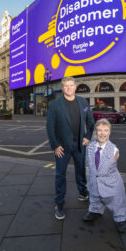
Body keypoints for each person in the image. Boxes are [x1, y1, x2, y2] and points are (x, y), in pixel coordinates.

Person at [47, 76, 94, 220]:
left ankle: (82, 192)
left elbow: (90, 121)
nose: (68, 88)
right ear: (63, 88)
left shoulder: (83, 102)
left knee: (81, 170)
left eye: (71, 85)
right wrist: (55, 145)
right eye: (66, 86)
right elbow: (50, 127)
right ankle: (59, 204)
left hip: (79, 144)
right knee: (60, 175)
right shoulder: (55, 104)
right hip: (62, 146)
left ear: (75, 87)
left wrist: (88, 136)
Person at [83, 119, 126, 234]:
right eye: (99, 130)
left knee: (117, 201)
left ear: (109, 132)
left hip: (111, 183)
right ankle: (95, 210)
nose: (102, 133)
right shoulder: (90, 147)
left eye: (105, 130)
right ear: (96, 132)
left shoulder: (114, 150)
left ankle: (120, 218)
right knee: (94, 197)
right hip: (94, 181)